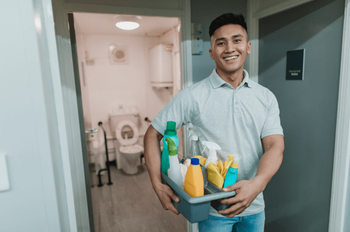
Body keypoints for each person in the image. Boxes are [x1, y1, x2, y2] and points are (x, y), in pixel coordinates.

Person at [143, 13, 284, 232]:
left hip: (254, 206)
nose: (229, 48)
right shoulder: (192, 96)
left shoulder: (265, 97)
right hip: (211, 209)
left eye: (236, 40)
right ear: (211, 53)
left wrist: (258, 184)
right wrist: (157, 184)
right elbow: (152, 134)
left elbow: (275, 145)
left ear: (248, 47)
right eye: (221, 43)